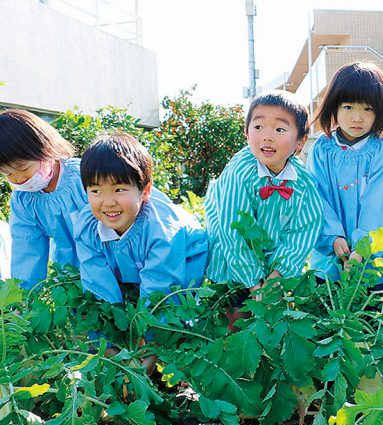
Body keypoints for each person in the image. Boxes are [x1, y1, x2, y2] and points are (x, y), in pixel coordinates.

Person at [204, 90, 323, 329]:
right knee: (233, 322)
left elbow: (303, 232)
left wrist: (276, 277)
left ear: (300, 142)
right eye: (258, 127)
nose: (267, 137)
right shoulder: (240, 171)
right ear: (247, 132)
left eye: (280, 130)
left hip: (273, 271)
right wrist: (253, 284)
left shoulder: (304, 183)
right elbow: (231, 231)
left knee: (272, 327)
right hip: (232, 264)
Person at [72, 132, 208, 304]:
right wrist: (107, 321)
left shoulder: (162, 231)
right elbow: (96, 282)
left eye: (119, 189)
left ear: (145, 191)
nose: (108, 203)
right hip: (134, 259)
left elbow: (160, 291)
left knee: (172, 305)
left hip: (184, 256)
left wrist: (147, 326)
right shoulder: (87, 226)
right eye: (96, 191)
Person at [307, 61, 383, 289]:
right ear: (334, 107)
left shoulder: (380, 150)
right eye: (348, 107)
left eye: (368, 109)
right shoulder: (321, 148)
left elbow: (378, 205)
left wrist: (361, 249)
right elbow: (317, 198)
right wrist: (334, 238)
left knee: (367, 318)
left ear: (380, 111)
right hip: (329, 255)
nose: (357, 118)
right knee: (329, 317)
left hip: (371, 257)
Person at [0, 109, 86, 289]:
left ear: (45, 150)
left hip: (110, 269)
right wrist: (23, 299)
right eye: (7, 173)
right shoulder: (24, 199)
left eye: (23, 168)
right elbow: (27, 248)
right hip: (71, 277)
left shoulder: (82, 177)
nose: (17, 178)